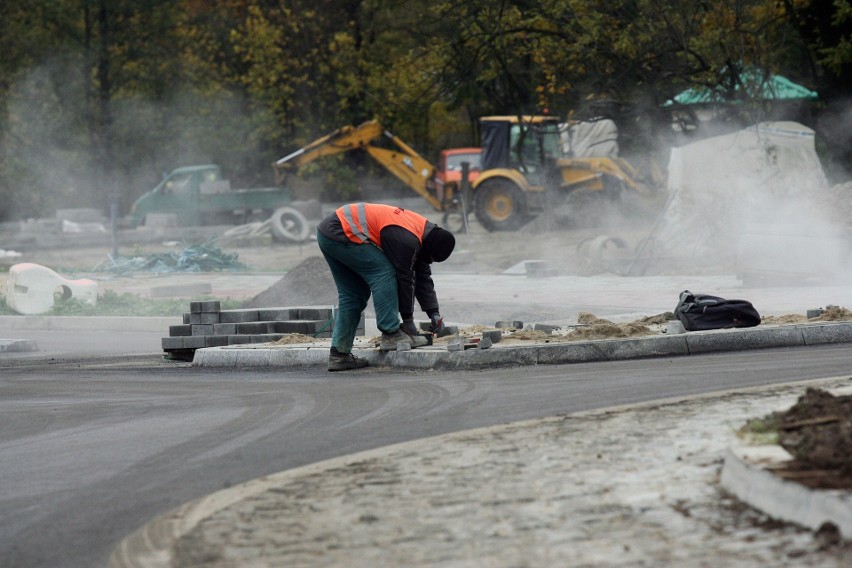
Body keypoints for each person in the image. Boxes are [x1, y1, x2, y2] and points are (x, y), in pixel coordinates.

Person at [317, 202, 456, 371]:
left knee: (354, 294)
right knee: (384, 272)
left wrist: (433, 312)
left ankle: (339, 354)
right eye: (431, 258)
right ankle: (391, 334)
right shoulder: (406, 239)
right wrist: (408, 323)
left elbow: (422, 275)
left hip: (328, 233)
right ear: (430, 249)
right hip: (342, 229)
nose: (429, 262)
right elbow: (405, 277)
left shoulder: (421, 234)